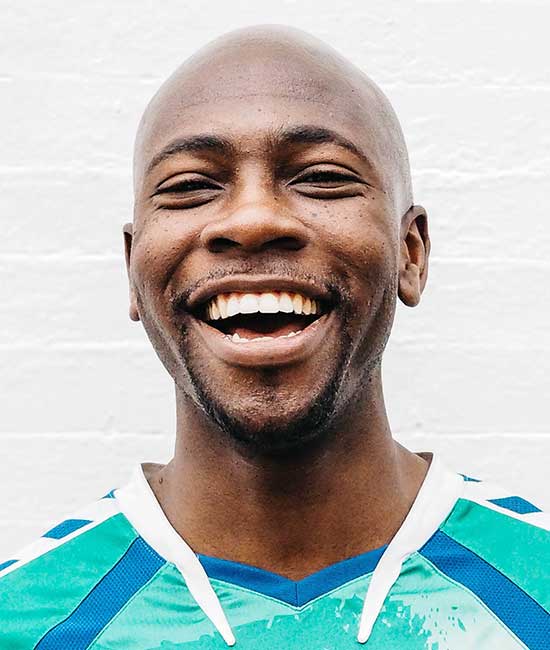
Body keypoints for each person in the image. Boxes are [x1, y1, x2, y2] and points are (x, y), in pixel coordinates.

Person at [1, 25, 548, 650]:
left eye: (321, 177)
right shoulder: (26, 621)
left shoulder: (535, 594)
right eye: (189, 186)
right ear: (132, 269)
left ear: (411, 253)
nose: (254, 219)